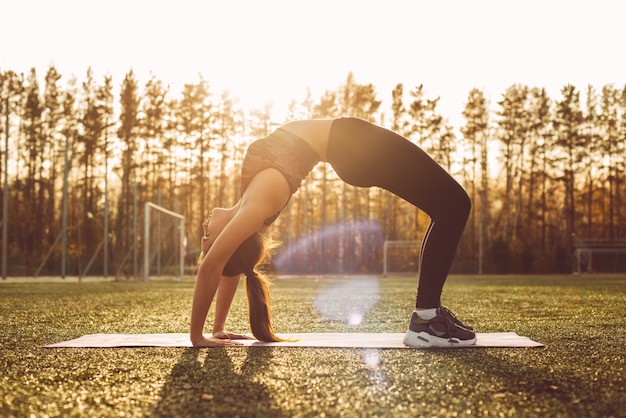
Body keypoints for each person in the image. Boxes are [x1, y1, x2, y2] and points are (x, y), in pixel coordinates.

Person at [190, 117, 475, 348]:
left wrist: (218, 328)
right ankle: (426, 319)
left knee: (449, 205)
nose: (204, 230)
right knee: (455, 204)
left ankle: (428, 315)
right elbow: (214, 266)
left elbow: (229, 266)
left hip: (347, 145)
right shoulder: (258, 202)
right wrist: (197, 337)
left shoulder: (248, 204)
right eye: (207, 239)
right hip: (351, 143)